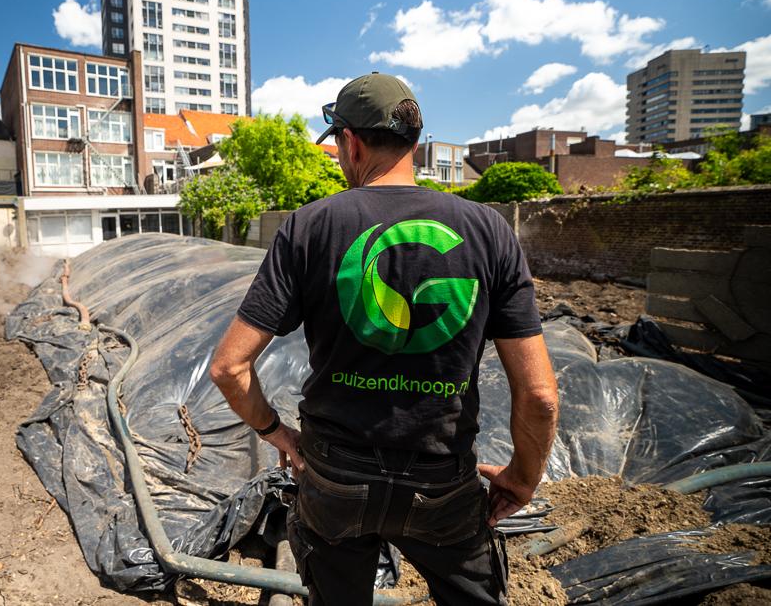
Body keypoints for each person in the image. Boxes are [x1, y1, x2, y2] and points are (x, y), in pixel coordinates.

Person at [209, 73, 558, 606]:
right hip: (443, 478)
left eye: (339, 149)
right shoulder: (490, 231)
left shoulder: (308, 228)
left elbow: (229, 368)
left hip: (333, 475)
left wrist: (278, 433)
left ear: (350, 142)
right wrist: (523, 478)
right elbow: (539, 397)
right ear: (415, 142)